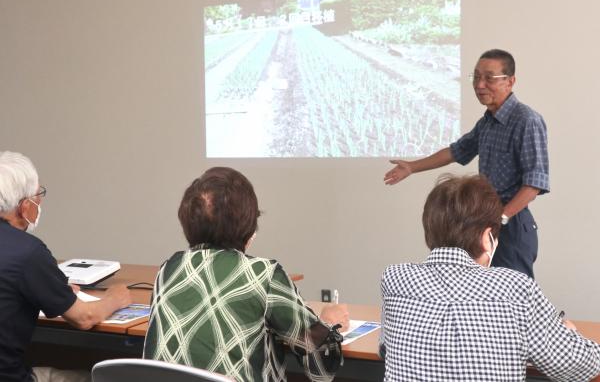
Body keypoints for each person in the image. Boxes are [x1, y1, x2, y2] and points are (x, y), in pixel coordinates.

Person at [380, 174, 600, 381]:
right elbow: (576, 367)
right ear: (488, 238)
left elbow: (385, 348)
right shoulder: (516, 289)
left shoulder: (395, 278)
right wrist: (571, 334)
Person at [143, 166, 349, 382]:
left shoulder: (168, 268)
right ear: (249, 226)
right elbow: (321, 370)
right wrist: (326, 325)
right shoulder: (263, 274)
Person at [384, 49, 548, 279]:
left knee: (511, 299)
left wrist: (500, 218)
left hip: (509, 224)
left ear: (510, 81)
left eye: (489, 78)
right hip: (486, 223)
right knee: (480, 298)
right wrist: (412, 167)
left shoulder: (527, 120)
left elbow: (534, 183)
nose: (480, 85)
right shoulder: (488, 121)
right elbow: (457, 151)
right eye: (476, 77)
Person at [0, 151, 132, 382]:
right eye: (38, 194)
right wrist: (115, 298)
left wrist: (53, 292)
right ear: (24, 206)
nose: (40, 201)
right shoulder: (28, 251)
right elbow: (84, 317)